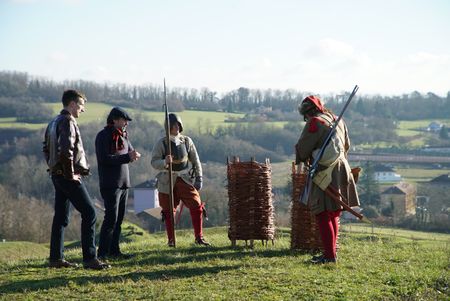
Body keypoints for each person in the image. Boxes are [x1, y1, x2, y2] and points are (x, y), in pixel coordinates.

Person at [43, 90, 110, 269]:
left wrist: (54, 168)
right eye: (81, 106)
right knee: (90, 213)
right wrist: (70, 173)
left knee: (61, 217)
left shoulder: (53, 122)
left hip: (56, 175)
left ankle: (56, 259)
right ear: (72, 104)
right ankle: (90, 258)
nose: (83, 110)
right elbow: (66, 150)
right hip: (67, 177)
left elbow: (46, 149)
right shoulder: (67, 122)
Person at [295, 95, 359, 264]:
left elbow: (302, 150)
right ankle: (330, 254)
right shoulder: (337, 119)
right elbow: (347, 146)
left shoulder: (314, 123)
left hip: (325, 172)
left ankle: (329, 256)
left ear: (307, 113)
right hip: (341, 168)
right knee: (333, 213)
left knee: (323, 214)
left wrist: (303, 155)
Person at [151, 113, 210, 247]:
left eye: (177, 125)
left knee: (196, 205)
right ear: (168, 127)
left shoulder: (187, 141)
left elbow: (196, 161)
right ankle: (171, 240)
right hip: (166, 181)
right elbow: (154, 162)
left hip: (184, 179)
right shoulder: (161, 143)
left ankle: (199, 237)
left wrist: (199, 177)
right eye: (173, 125)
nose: (176, 127)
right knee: (168, 211)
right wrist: (164, 162)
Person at [95, 107, 141, 259]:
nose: (126, 123)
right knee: (110, 219)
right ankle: (102, 253)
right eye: (124, 120)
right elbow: (104, 159)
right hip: (110, 184)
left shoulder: (124, 136)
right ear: (114, 120)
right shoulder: (103, 136)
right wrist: (127, 157)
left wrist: (133, 155)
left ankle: (114, 251)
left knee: (119, 220)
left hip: (123, 183)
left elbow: (129, 152)